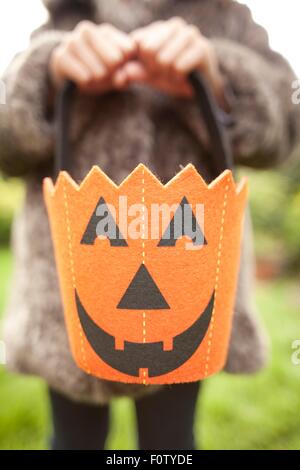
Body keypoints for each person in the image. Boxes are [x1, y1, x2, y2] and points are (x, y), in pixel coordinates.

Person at [1, 0, 299, 450]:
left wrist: (218, 78)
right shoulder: (61, 20)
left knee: (171, 443)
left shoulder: (231, 20)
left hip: (187, 291)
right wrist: (50, 74)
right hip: (69, 291)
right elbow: (7, 142)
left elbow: (282, 132)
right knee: (72, 439)